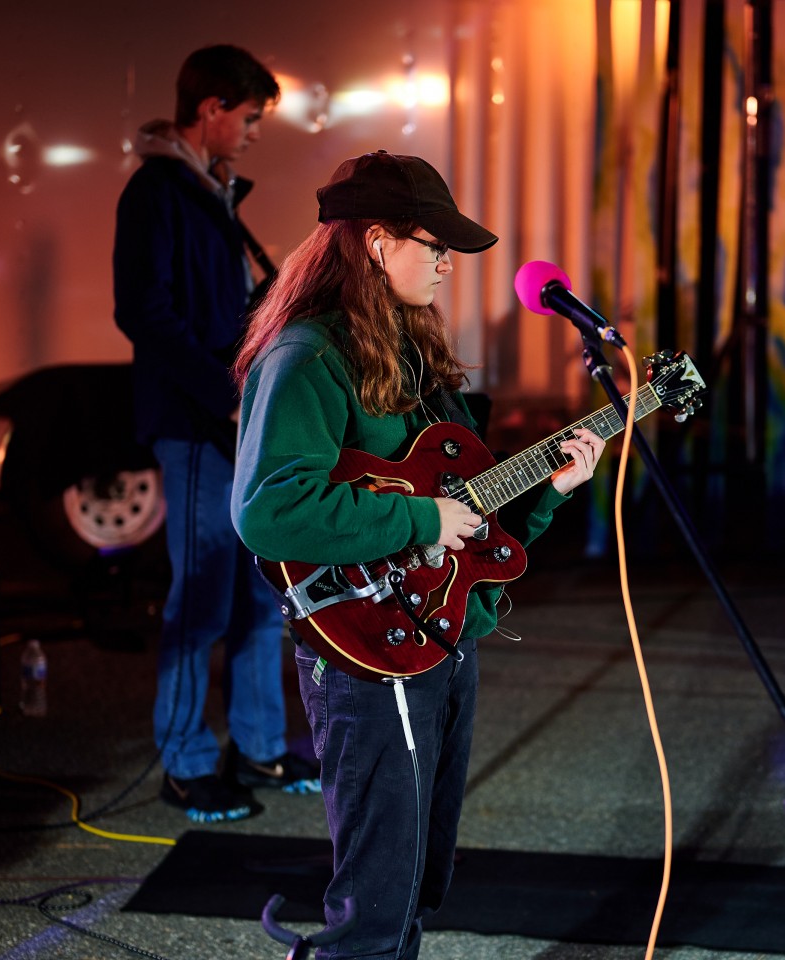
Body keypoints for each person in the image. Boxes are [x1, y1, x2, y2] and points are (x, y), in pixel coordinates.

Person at [230, 150, 605, 958]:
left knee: (420, 874)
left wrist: (549, 490)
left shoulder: (410, 348)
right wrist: (421, 520)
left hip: (439, 631)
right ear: (376, 242)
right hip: (366, 643)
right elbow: (270, 511)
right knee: (380, 893)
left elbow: (466, 518)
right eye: (433, 245)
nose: (446, 263)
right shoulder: (307, 356)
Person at [113, 44, 317, 824]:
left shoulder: (213, 193)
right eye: (251, 116)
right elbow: (143, 312)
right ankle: (188, 763)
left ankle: (258, 747)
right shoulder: (156, 192)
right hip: (197, 425)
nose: (255, 132)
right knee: (199, 597)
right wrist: (225, 396)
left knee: (262, 591)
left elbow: (214, 313)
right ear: (212, 109)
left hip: (230, 421)